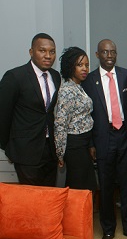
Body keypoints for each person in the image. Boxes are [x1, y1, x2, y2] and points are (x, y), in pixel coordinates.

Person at [81, 39, 127, 239]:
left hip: (124, 136)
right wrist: (91, 143)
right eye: (105, 52)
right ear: (97, 55)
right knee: (106, 186)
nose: (110, 56)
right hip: (103, 136)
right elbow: (86, 115)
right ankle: (108, 230)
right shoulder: (89, 80)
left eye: (113, 52)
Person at [0, 33, 61, 186]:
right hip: (25, 151)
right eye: (42, 51)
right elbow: (3, 115)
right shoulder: (15, 76)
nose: (48, 56)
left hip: (50, 151)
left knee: (50, 198)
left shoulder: (55, 76)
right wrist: (9, 147)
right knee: (32, 201)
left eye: (52, 51)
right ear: (31, 52)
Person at [54, 47, 97, 191]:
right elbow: (60, 124)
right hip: (74, 145)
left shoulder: (79, 86)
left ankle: (81, 213)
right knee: (79, 187)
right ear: (70, 66)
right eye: (80, 65)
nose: (84, 69)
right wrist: (60, 154)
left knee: (85, 186)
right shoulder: (67, 90)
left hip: (83, 143)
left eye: (86, 65)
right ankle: (76, 214)